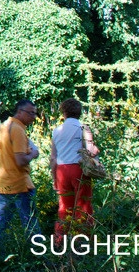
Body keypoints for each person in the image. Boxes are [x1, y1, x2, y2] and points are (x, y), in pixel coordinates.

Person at [0, 100, 41, 258]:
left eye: (34, 113)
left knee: (1, 225)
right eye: (31, 113)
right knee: (31, 224)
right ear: (20, 112)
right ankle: (38, 258)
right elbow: (20, 160)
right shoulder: (17, 129)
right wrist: (34, 153)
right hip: (20, 185)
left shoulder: (3, 127)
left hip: (3, 184)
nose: (33, 116)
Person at [49, 98, 98, 241]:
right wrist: (95, 151)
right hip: (79, 169)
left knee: (64, 206)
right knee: (83, 206)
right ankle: (83, 240)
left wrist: (54, 179)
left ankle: (60, 240)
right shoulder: (84, 128)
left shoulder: (57, 131)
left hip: (61, 171)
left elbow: (53, 158)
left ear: (64, 112)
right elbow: (90, 151)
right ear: (80, 112)